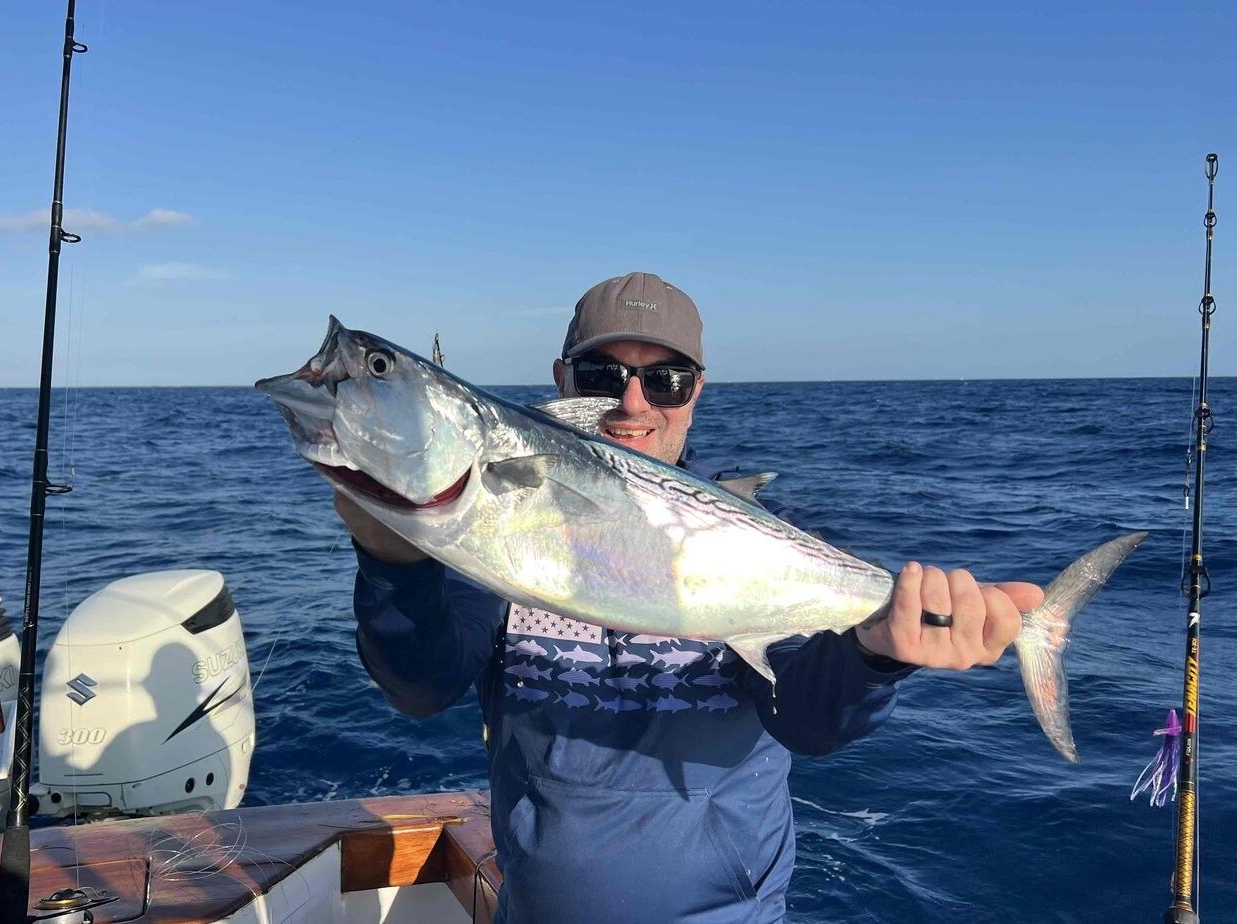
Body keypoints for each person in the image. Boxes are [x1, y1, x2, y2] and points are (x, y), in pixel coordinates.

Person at [333, 272, 1043, 924]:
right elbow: (420, 686)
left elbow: (807, 719)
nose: (633, 402)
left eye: (664, 379)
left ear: (696, 389)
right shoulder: (496, 534)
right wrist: (394, 560)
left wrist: (876, 654)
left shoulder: (770, 539)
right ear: (561, 379)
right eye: (602, 374)